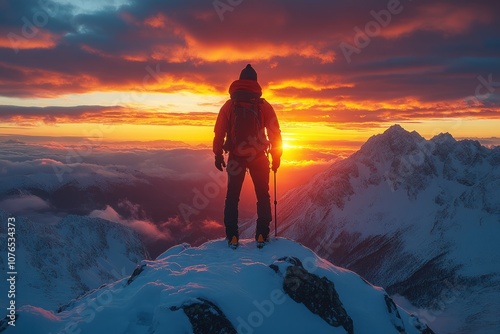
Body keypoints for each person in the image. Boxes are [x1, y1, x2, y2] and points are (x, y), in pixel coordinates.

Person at [213, 64, 282, 249]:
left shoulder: (230, 105)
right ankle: (261, 234)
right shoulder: (263, 105)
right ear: (256, 82)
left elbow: (219, 132)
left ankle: (233, 237)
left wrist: (217, 153)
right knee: (263, 195)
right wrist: (277, 156)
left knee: (232, 196)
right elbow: (275, 133)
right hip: (259, 157)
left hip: (236, 157)